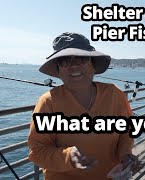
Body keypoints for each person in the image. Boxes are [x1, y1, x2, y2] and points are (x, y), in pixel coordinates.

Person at [27, 32, 138, 180]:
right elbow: (37, 152)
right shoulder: (48, 102)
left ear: (93, 65)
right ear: (58, 70)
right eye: (65, 61)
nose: (74, 66)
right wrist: (68, 157)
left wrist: (126, 155)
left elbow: (126, 132)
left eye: (82, 58)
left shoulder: (115, 95)